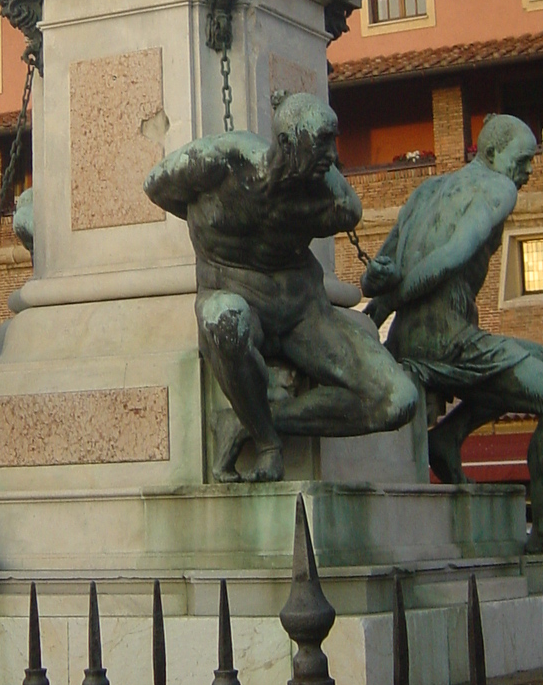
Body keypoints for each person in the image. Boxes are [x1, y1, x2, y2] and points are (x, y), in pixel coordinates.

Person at [362, 114, 543, 564]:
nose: (529, 171)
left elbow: (373, 275)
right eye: (524, 159)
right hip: (447, 342)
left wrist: (382, 304)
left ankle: (449, 437)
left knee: (539, 355)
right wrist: (396, 295)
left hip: (408, 340)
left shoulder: (426, 191)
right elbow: (453, 256)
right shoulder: (497, 189)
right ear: (492, 154)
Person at [144, 92, 419, 481]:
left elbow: (349, 207)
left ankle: (250, 418)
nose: (333, 154)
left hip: (303, 313)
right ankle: (267, 441)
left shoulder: (329, 200)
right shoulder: (218, 164)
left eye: (334, 140)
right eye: (322, 141)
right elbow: (155, 186)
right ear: (287, 144)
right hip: (232, 294)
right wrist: (212, 230)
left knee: (399, 401)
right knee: (226, 318)